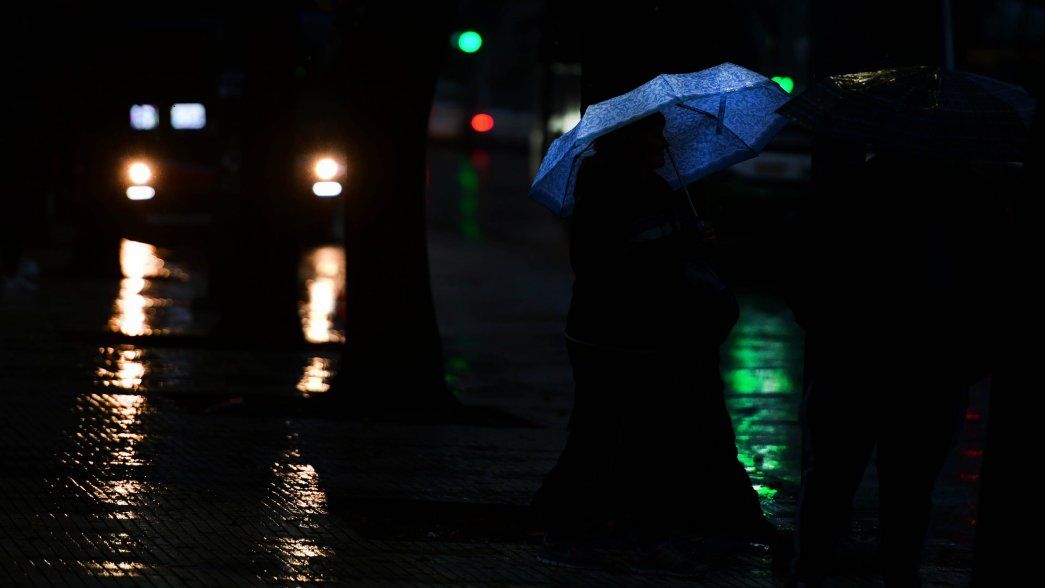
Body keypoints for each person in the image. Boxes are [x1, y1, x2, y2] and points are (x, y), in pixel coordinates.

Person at [533, 112, 769, 569]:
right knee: (600, 429)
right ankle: (573, 519)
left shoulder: (661, 189)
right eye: (654, 135)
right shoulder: (605, 190)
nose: (664, 144)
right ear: (631, 142)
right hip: (609, 334)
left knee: (631, 431)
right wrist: (678, 243)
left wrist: (695, 239)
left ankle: (611, 519)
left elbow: (668, 248)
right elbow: (600, 262)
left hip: (649, 333)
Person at [786, 147, 1003, 588]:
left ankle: (810, 571)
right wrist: (970, 360)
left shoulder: (847, 190)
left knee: (830, 477)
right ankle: (899, 574)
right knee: (909, 488)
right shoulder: (974, 196)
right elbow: (995, 283)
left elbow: (801, 265)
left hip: (852, 361)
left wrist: (824, 327)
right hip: (931, 368)